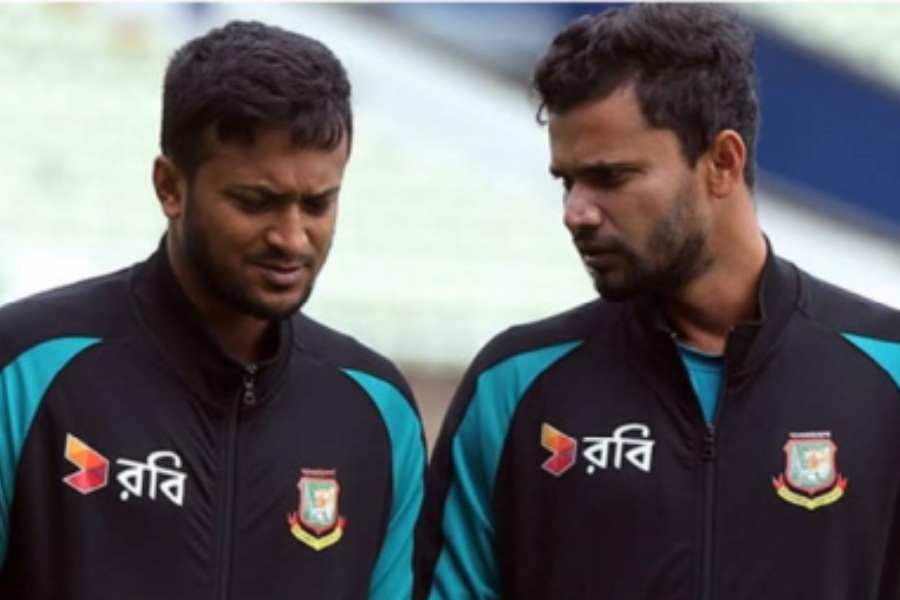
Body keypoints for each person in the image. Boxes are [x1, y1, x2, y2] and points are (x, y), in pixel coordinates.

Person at [415, 4, 900, 599]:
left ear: (722, 163)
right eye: (567, 181)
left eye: (610, 177)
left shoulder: (887, 371)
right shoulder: (514, 384)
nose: (575, 212)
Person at [0, 20, 425, 600]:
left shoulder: (377, 411)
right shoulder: (25, 368)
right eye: (256, 202)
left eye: (317, 204)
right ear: (170, 188)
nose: (291, 238)